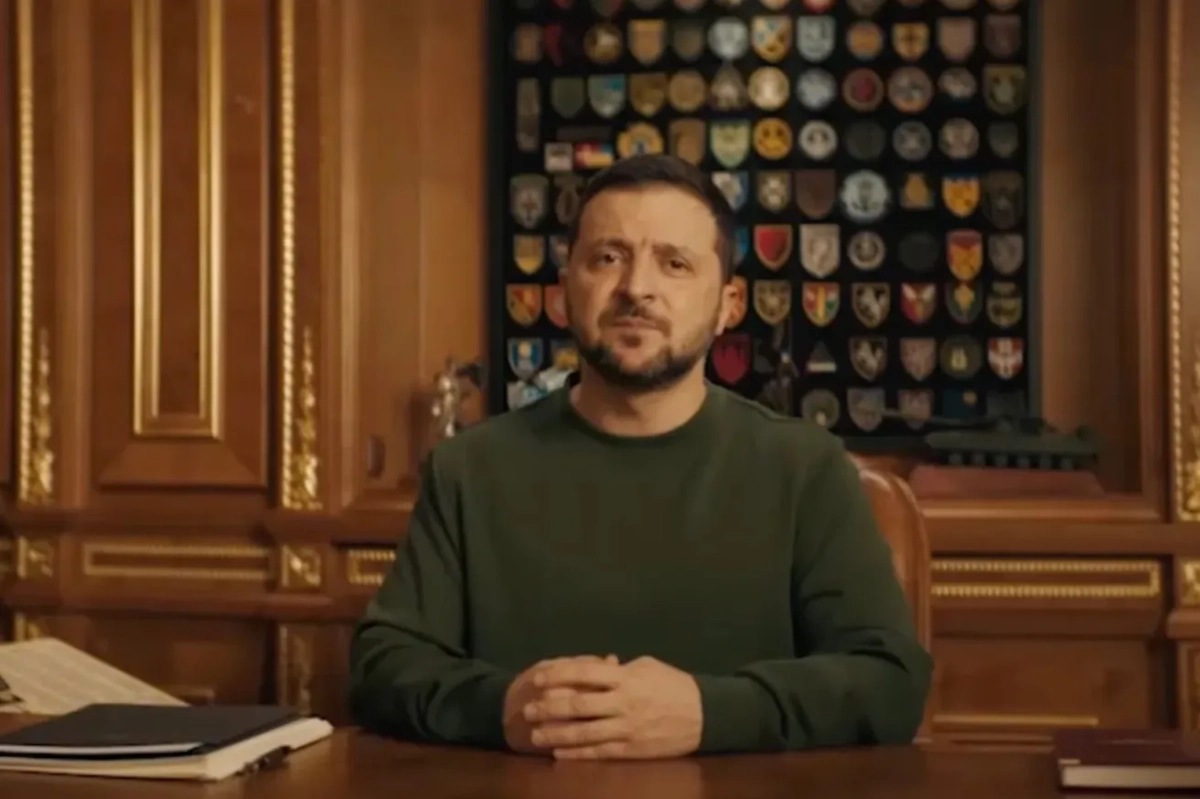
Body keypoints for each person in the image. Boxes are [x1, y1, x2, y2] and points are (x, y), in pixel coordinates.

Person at [348, 154, 933, 760]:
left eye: (674, 264)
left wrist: (709, 714)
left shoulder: (805, 467)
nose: (636, 289)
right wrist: (500, 707)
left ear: (728, 305)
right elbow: (382, 667)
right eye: (608, 258)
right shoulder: (468, 470)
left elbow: (890, 682)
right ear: (564, 290)